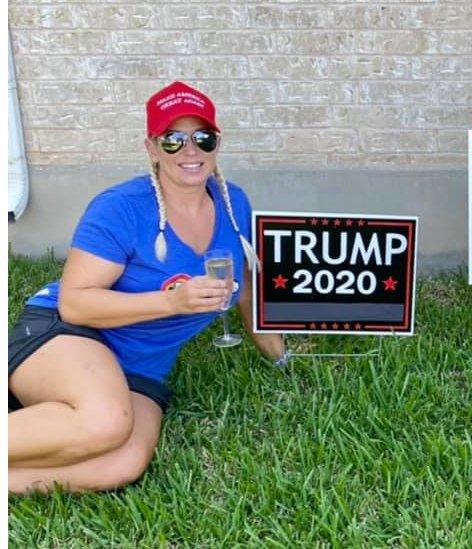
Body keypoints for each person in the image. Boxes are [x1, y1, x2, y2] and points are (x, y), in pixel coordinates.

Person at [8, 81, 287, 493]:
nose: (190, 151)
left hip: (141, 363)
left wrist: (280, 360)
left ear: (216, 144)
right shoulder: (121, 207)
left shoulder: (233, 203)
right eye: (173, 140)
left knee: (122, 464)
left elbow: (243, 287)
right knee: (104, 424)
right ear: (152, 148)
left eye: (202, 138)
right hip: (73, 334)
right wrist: (173, 302)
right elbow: (76, 304)